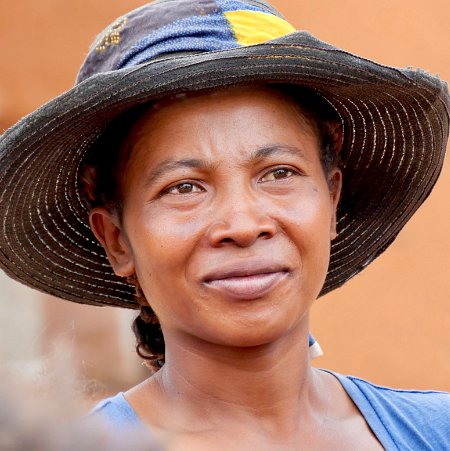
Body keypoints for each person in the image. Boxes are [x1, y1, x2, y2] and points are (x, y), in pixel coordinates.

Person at [0, 0, 449, 449]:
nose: (243, 224)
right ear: (116, 241)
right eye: (184, 187)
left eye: (279, 173)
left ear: (331, 199)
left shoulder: (434, 431)